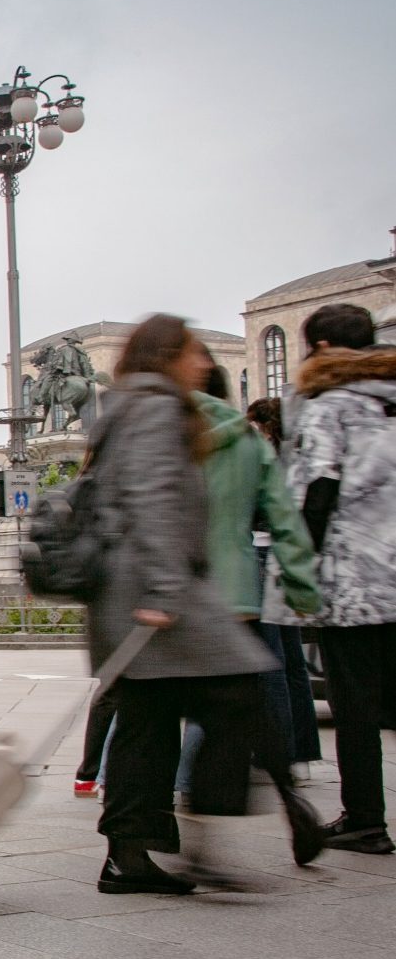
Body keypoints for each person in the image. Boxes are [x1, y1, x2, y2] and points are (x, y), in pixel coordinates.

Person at [87, 315, 274, 894]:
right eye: (195, 353)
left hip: (128, 590)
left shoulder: (124, 407)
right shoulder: (157, 409)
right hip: (156, 591)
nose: (205, 364)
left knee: (146, 722)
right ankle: (201, 836)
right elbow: (152, 498)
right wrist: (166, 589)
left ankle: (128, 854)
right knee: (237, 693)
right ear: (167, 357)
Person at [183, 363, 323, 863]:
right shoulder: (249, 441)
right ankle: (287, 791)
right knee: (252, 697)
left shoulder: (173, 437)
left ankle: (192, 823)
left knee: (183, 707)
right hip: (241, 593)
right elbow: (284, 517)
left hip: (186, 594)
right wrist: (303, 590)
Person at [286, 302, 395, 855]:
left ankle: (366, 819)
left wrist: (298, 571)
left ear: (324, 348)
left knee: (356, 708)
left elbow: (317, 494)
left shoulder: (329, 407)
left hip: (357, 585)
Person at [245, 395, 323, 781]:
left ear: (261, 425)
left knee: (270, 659)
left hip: (262, 552)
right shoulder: (294, 452)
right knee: (293, 661)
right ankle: (301, 754)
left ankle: (281, 754)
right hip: (289, 555)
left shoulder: (262, 456)